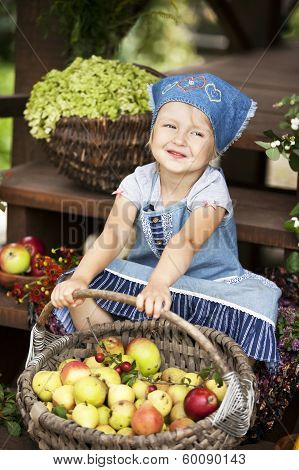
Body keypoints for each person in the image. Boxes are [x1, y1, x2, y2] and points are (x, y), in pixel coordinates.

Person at [51, 73, 281, 372]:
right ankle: (113, 352)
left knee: (258, 304)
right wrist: (81, 279)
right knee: (79, 289)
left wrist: (160, 285)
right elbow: (114, 234)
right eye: (169, 126)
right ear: (152, 133)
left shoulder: (210, 189)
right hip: (147, 277)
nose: (179, 139)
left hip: (207, 283)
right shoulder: (139, 180)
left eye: (197, 133)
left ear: (215, 149)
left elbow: (185, 242)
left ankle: (210, 369)